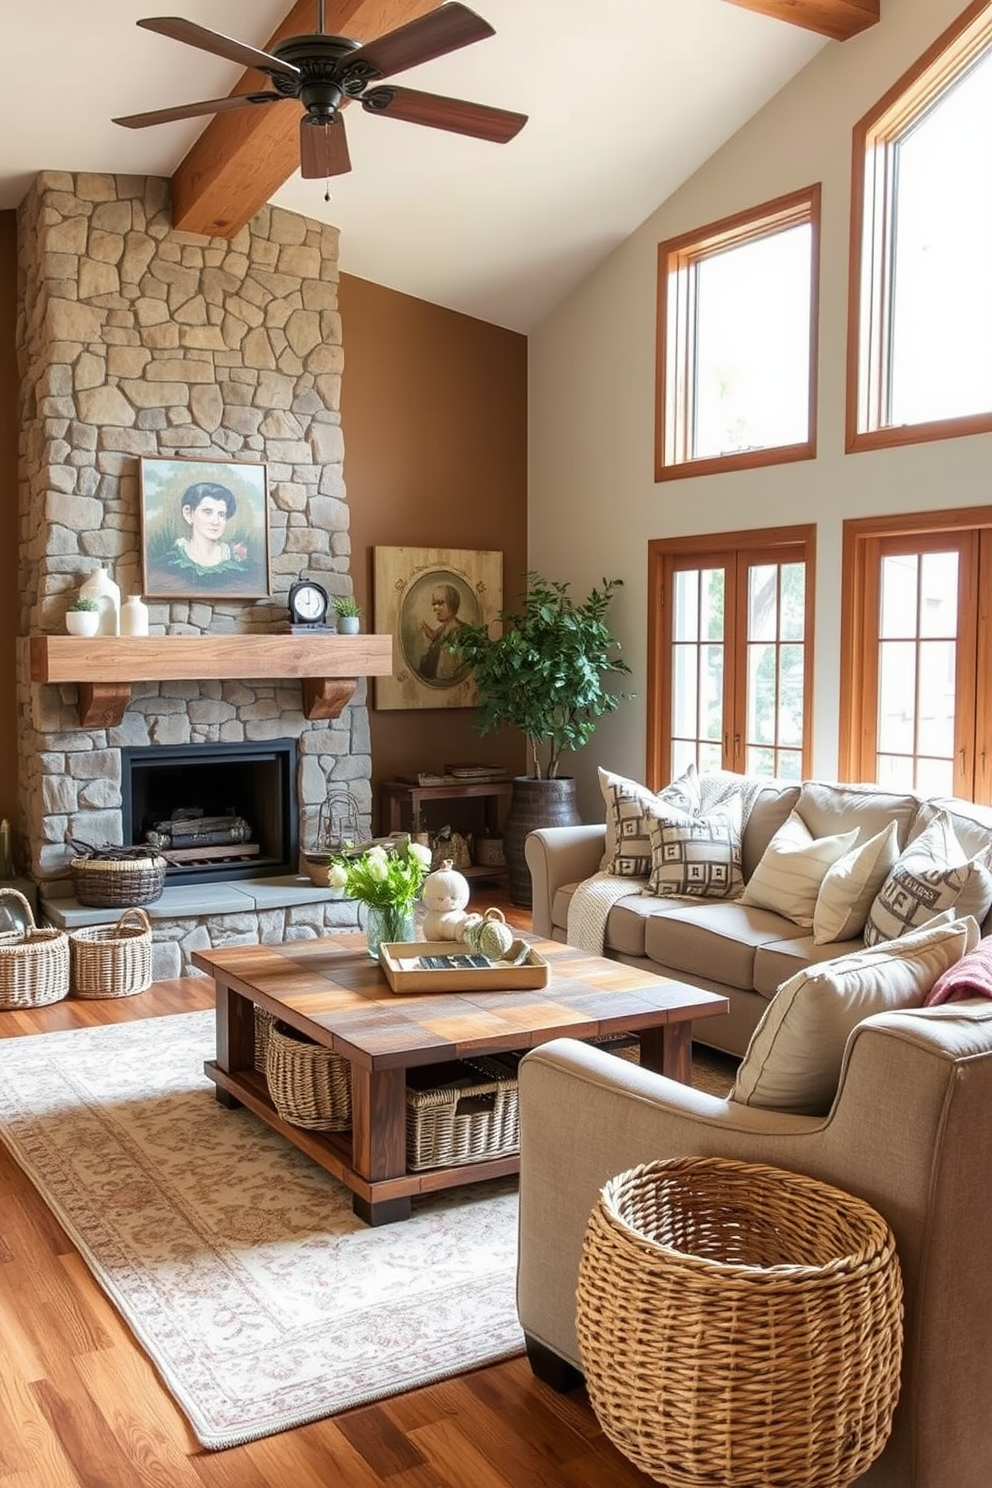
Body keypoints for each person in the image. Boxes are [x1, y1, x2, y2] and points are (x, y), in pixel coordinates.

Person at [170, 483, 248, 576]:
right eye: (207, 512)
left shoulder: (235, 559)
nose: (215, 522)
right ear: (188, 514)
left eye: (221, 515)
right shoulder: (173, 560)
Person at [418, 583, 470, 683]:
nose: (435, 608)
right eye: (434, 604)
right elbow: (435, 638)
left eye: (440, 603)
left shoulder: (461, 632)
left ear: (452, 604)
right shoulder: (443, 628)